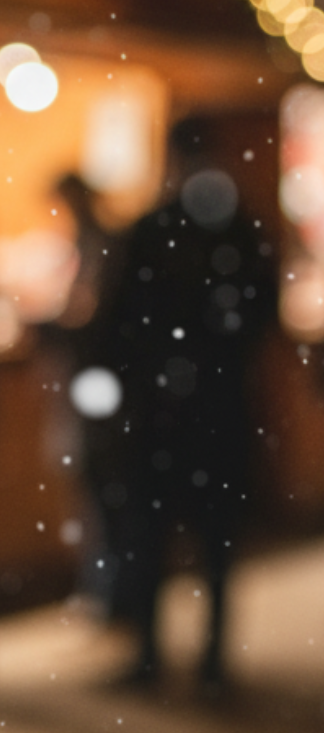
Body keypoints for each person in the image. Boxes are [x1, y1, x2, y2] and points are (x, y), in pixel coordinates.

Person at [89, 116, 276, 689]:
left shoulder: (159, 230)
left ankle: (159, 655)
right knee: (208, 540)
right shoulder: (234, 230)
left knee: (157, 536)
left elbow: (114, 324)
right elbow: (260, 314)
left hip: (165, 412)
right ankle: (206, 659)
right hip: (211, 407)